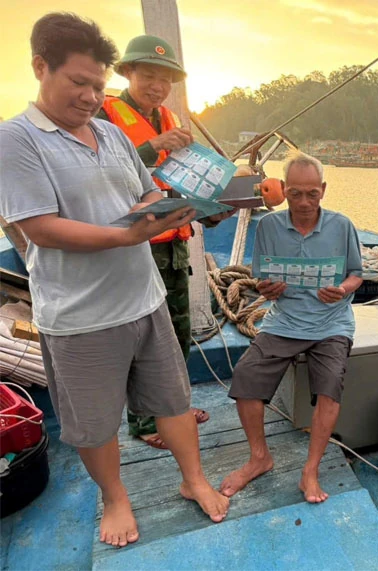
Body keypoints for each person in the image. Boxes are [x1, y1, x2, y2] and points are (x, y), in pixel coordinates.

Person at [0, 13, 229, 547]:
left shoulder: (110, 131)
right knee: (94, 424)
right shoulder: (17, 139)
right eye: (78, 82)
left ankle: (193, 480)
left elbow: (144, 191)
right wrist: (126, 237)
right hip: (79, 315)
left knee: (172, 400)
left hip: (143, 299)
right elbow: (39, 227)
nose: (90, 97)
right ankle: (115, 497)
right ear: (41, 67)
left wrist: (172, 210)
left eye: (98, 86)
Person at [96, 34, 232, 449]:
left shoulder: (171, 120)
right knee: (142, 334)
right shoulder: (104, 115)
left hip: (172, 241)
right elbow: (99, 171)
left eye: (164, 79)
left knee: (176, 331)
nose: (157, 85)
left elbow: (182, 181)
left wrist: (213, 206)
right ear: (128, 73)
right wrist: (150, 147)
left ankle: (173, 408)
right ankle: (142, 422)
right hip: (133, 240)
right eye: (148, 75)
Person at [219, 151, 363, 503]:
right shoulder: (268, 226)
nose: (303, 201)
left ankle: (310, 470)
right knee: (246, 377)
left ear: (323, 191)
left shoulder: (342, 225)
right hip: (283, 318)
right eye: (295, 193)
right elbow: (261, 277)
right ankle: (259, 457)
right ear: (282, 189)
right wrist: (266, 288)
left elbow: (357, 274)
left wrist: (342, 289)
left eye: (311, 193)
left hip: (332, 321)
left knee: (330, 386)